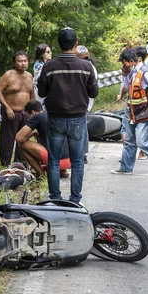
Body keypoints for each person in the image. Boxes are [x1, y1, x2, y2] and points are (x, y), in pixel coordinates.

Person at [37, 27, 98, 204]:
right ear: (76, 44)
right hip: (78, 118)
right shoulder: (86, 66)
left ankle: (55, 197)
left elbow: (42, 90)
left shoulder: (49, 66)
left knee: (54, 160)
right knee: (77, 161)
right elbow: (93, 92)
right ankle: (75, 199)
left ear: (58, 44)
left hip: (55, 118)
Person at [111, 48, 148, 176]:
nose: (124, 65)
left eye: (125, 63)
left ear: (132, 61)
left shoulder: (145, 72)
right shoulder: (133, 73)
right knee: (129, 141)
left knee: (142, 143)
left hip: (144, 113)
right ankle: (126, 168)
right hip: (133, 112)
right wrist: (124, 75)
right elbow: (128, 89)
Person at [0, 51, 35, 166]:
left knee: (23, 139)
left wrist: (33, 110)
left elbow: (31, 94)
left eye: (25, 61)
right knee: (7, 139)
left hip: (25, 113)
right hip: (11, 112)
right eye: (20, 61)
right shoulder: (8, 75)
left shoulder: (29, 76)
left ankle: (20, 164)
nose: (23, 63)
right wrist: (7, 107)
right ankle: (5, 164)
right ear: (14, 63)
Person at [15, 100, 70, 179]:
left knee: (21, 144)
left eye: (28, 116)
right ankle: (63, 171)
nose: (29, 119)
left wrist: (31, 134)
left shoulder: (38, 117)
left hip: (57, 162)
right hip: (71, 160)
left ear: (33, 112)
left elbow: (18, 138)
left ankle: (41, 175)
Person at [76, 45, 98, 164]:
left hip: (83, 102)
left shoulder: (88, 68)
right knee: (81, 127)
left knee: (81, 128)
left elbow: (92, 90)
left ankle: (82, 153)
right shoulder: (88, 66)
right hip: (83, 102)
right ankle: (81, 152)